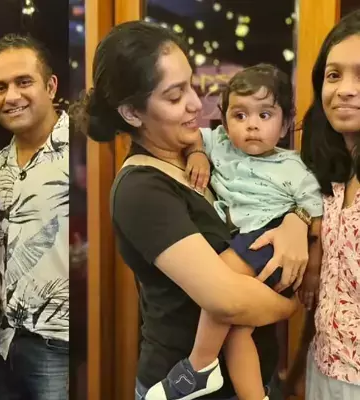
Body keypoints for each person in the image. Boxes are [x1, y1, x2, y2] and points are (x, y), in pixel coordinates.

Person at [73, 20, 312, 400]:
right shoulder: (140, 190)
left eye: (191, 86)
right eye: (174, 96)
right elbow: (225, 300)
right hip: (191, 388)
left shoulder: (203, 156)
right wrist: (293, 303)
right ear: (132, 113)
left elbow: (270, 201)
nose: (196, 104)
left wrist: (296, 222)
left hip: (252, 378)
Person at [147, 64, 323, 400]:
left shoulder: (296, 167)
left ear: (285, 124)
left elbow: (316, 219)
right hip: (244, 242)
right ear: (225, 122)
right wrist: (198, 154)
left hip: (270, 240)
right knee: (236, 331)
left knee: (218, 282)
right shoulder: (220, 144)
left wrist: (312, 271)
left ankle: (198, 367)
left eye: (265, 115)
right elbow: (194, 138)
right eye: (240, 115)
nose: (252, 125)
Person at [0, 33, 70, 399]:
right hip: (5, 345)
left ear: (51, 86)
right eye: (0, 87)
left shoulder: (88, 153)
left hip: (62, 347)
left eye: (24, 82)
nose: (11, 96)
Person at [283, 9, 360, 399]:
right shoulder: (331, 177)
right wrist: (300, 363)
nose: (345, 89)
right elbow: (328, 289)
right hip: (323, 368)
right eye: (333, 75)